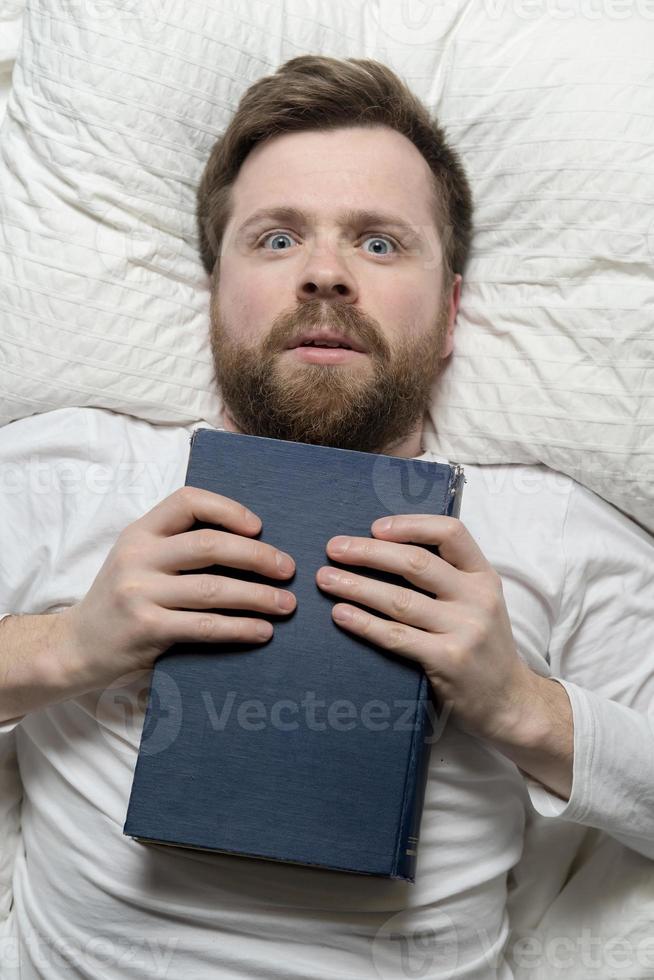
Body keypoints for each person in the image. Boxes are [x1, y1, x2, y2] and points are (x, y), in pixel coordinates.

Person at [0, 55, 652, 980]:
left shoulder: (559, 534)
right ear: (214, 288)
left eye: (379, 244)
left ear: (453, 307)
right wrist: (62, 649)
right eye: (275, 240)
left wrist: (523, 706)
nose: (324, 276)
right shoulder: (61, 472)